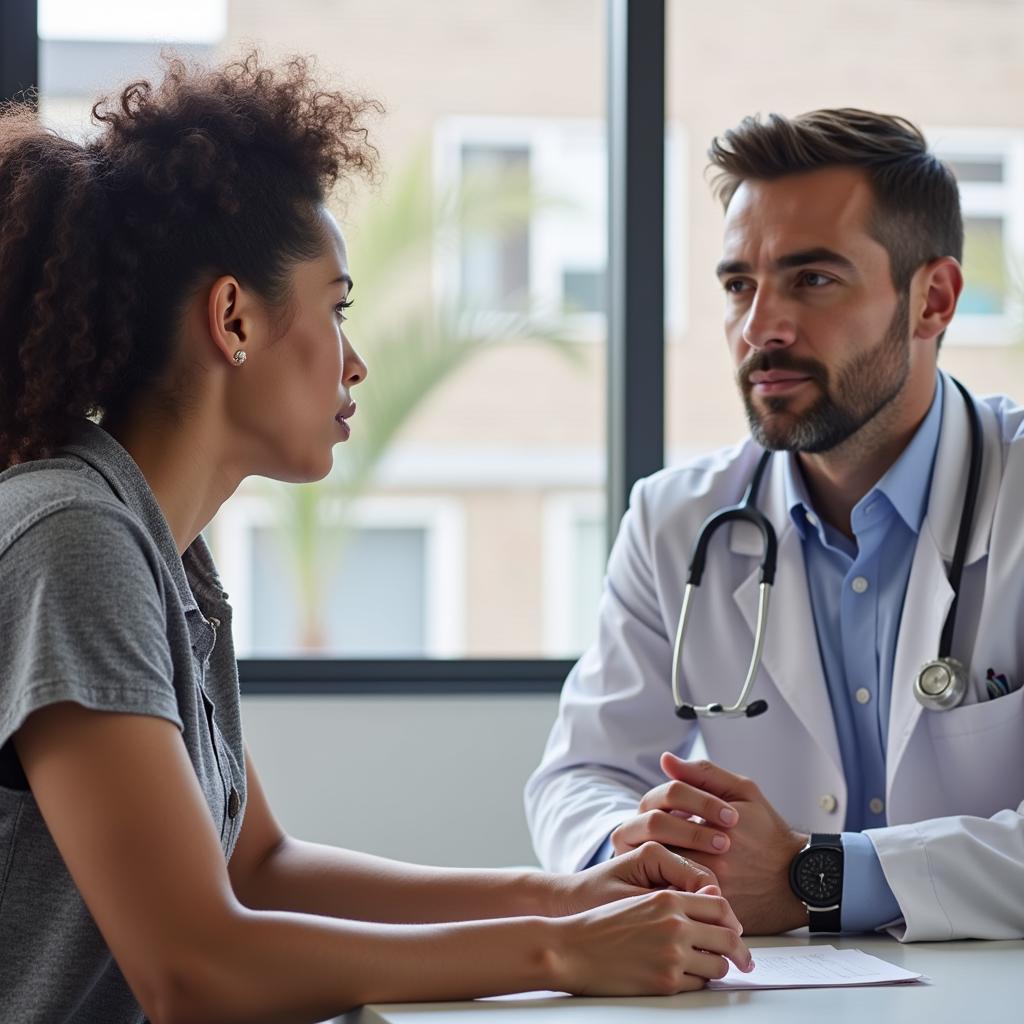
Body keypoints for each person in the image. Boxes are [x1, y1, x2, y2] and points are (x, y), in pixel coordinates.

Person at [0, 53, 752, 1024]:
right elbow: (190, 967)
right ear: (233, 317)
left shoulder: (164, 549)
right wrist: (557, 948)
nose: (356, 361)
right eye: (337, 307)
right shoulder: (76, 538)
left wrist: (559, 894)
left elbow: (259, 868)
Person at [526, 108, 1024, 943]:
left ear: (932, 299)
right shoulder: (676, 518)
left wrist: (813, 879)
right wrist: (637, 847)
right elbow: (583, 773)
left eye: (812, 280)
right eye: (737, 286)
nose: (760, 329)